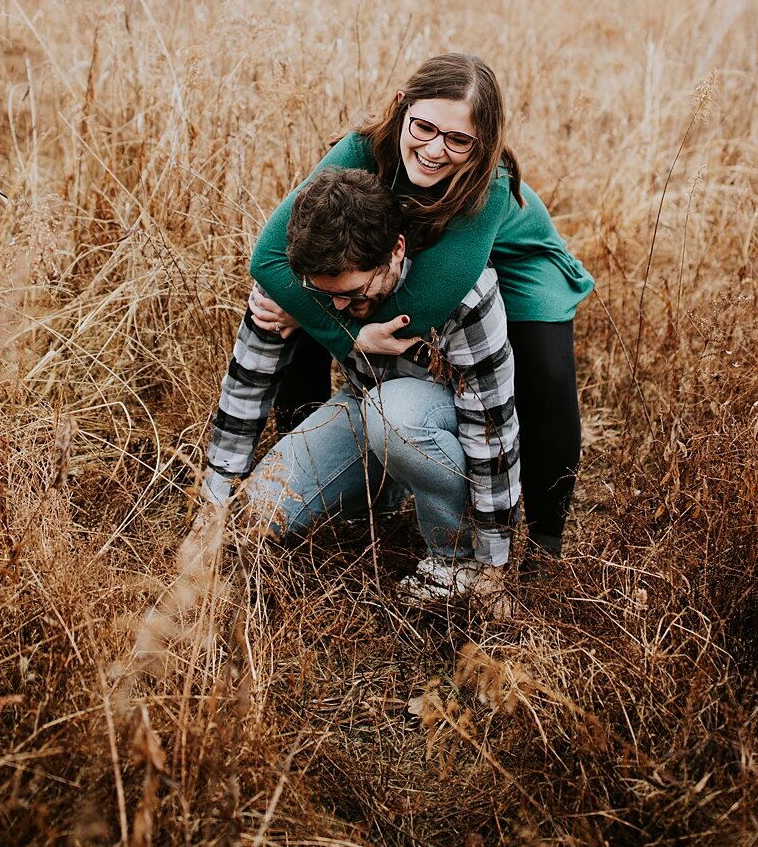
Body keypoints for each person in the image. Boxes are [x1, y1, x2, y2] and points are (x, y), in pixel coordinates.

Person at [247, 53, 593, 563]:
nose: (434, 149)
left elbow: (425, 305)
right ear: (401, 108)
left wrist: (342, 329)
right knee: (297, 302)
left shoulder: (488, 183)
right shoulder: (363, 149)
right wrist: (320, 316)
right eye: (424, 127)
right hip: (425, 248)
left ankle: (543, 540)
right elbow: (268, 256)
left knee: (545, 374)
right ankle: (333, 457)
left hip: (517, 269)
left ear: (483, 144)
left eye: (458, 139)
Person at [202, 168, 520, 606]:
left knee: (393, 414)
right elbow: (248, 380)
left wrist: (493, 562)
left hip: (445, 416)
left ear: (396, 250)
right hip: (366, 406)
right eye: (322, 293)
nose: (336, 307)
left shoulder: (464, 294)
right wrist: (215, 498)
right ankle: (385, 490)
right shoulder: (296, 278)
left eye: (352, 293)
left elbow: (492, 427)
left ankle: (453, 560)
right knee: (253, 516)